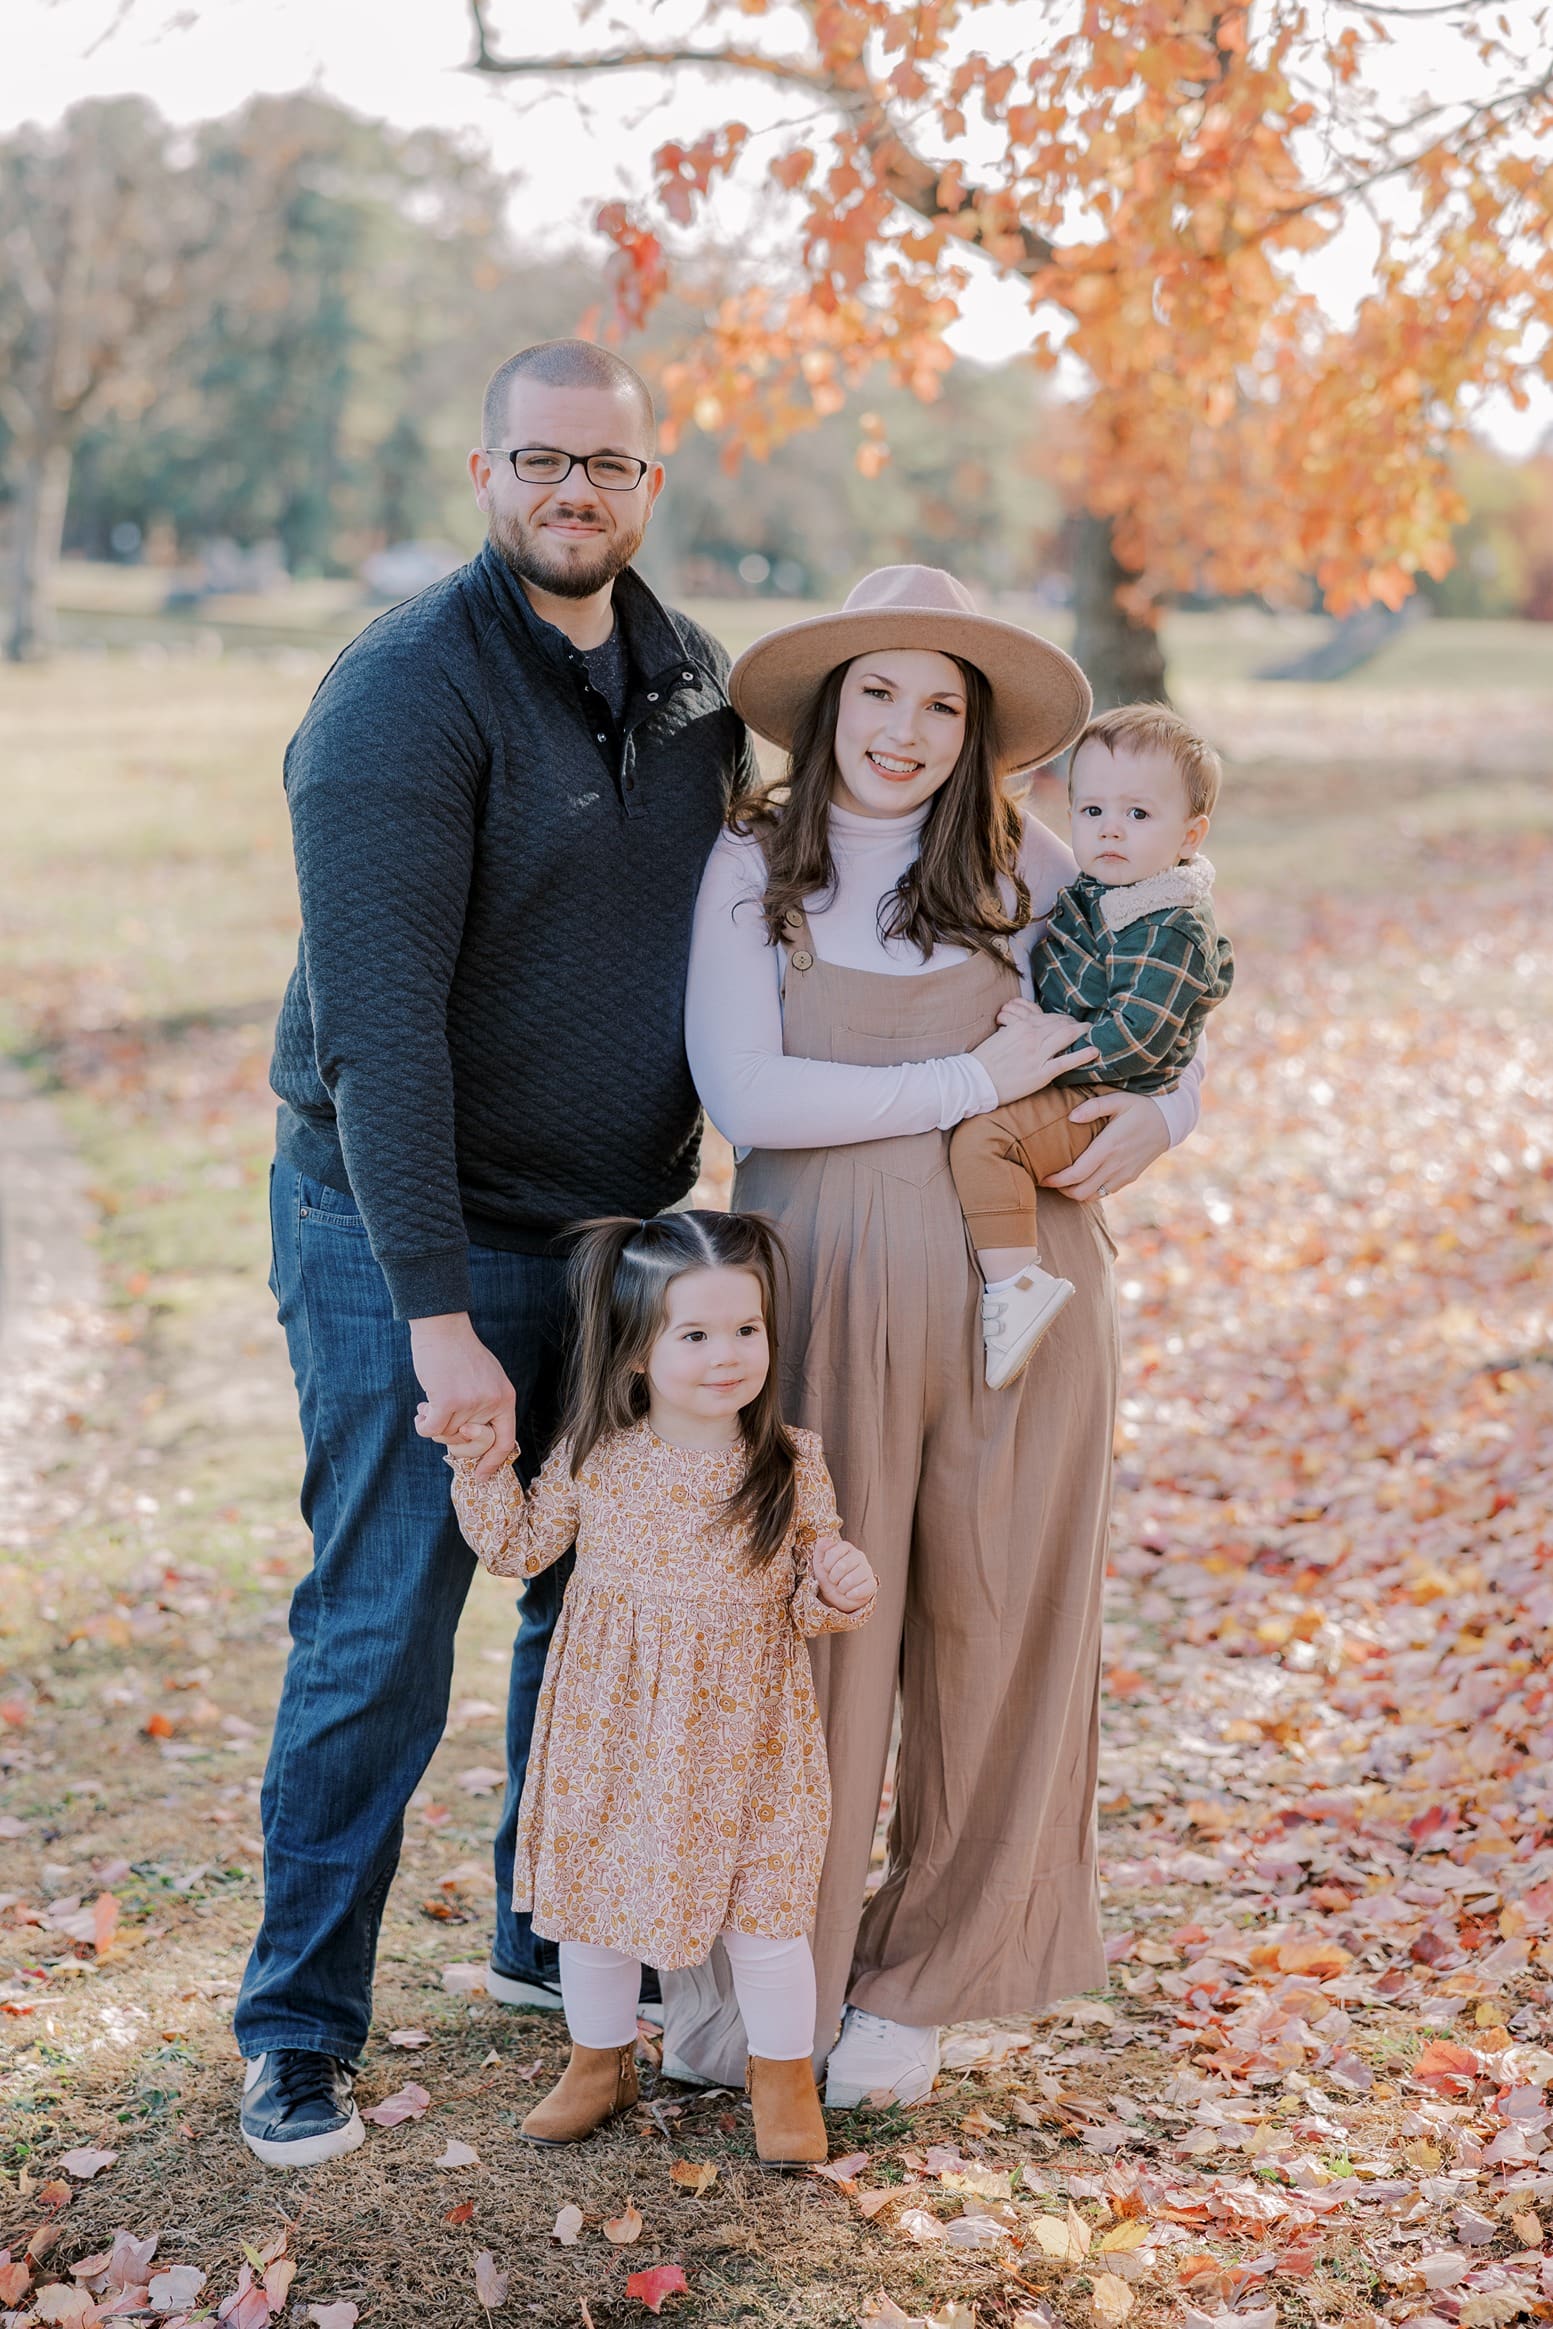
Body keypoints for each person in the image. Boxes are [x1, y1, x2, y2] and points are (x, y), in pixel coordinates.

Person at [236, 340, 754, 2168]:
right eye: (539, 458)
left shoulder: (695, 688)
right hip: (407, 1229)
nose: (571, 491)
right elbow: (377, 1033)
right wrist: (437, 1319)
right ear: (484, 473)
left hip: (609, 1230)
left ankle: (550, 1938)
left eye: (605, 463)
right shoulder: (400, 695)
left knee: (591, 1603)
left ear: (648, 485)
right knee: (384, 1622)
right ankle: (297, 2024)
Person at [674, 565, 1208, 2107]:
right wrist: (972, 1084)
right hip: (815, 1293)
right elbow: (751, 1099)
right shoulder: (745, 868)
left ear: (977, 731)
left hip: (1016, 1300)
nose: (905, 731)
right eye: (879, 693)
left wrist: (1164, 1116)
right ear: (830, 704)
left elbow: (1169, 1012)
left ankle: (923, 1982)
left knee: (992, 1623)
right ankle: (774, 1978)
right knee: (804, 1631)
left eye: (943, 703)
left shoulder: (1031, 864)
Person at [422, 1212, 876, 2166]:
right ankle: (600, 2061)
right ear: (635, 1350)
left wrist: (839, 1587)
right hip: (612, 1725)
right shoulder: (600, 1456)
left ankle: (781, 2075)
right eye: (695, 1334)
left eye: (745, 1329)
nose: (728, 1355)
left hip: (747, 1732)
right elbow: (515, 1548)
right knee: (594, 1905)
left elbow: (806, 1597)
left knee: (766, 1911)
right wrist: (479, 1461)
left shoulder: (789, 1462)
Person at [950, 703, 1234, 1387]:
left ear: (1189, 834)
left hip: (1103, 1092)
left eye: (1138, 815)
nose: (1109, 828)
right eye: (1091, 810)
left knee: (984, 1141)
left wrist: (1062, 1038)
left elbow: (1138, 1038)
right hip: (1080, 1075)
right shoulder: (1098, 889)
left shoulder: (1168, 926)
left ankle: (1016, 1287)